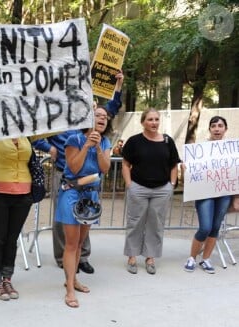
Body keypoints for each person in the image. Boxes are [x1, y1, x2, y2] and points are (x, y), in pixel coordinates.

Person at [33, 71, 124, 273]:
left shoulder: (88, 119)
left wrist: (117, 86)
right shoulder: (56, 118)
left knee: (86, 217)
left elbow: (109, 109)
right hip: (65, 175)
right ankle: (62, 256)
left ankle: (81, 257)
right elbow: (35, 136)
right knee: (63, 218)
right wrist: (50, 149)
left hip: (89, 179)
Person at [56, 107, 111, 308]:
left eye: (105, 117)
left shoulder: (105, 142)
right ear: (89, 117)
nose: (102, 119)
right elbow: (74, 167)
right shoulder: (74, 140)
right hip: (71, 193)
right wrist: (87, 145)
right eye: (98, 115)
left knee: (80, 243)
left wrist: (97, 148)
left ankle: (72, 279)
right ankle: (69, 290)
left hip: (91, 196)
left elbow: (105, 168)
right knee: (71, 244)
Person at [0, 135, 46, 301]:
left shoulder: (26, 131)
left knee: (11, 239)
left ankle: (7, 279)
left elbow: (51, 126)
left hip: (23, 195)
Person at [122, 108, 181, 274]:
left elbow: (173, 165)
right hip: (138, 187)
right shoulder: (134, 141)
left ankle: (150, 257)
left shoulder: (168, 141)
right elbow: (126, 164)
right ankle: (132, 256)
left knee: (156, 224)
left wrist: (171, 185)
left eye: (156, 119)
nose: (154, 123)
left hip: (162, 189)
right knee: (135, 222)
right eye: (150, 119)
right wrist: (129, 185)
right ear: (143, 122)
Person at [184, 116, 231, 274]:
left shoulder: (232, 151)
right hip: (205, 193)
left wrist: (237, 198)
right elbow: (192, 173)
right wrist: (187, 169)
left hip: (224, 193)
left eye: (220, 126)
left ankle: (206, 259)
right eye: (214, 126)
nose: (217, 129)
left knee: (215, 227)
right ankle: (192, 257)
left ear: (225, 129)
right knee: (205, 227)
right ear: (209, 129)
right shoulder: (200, 150)